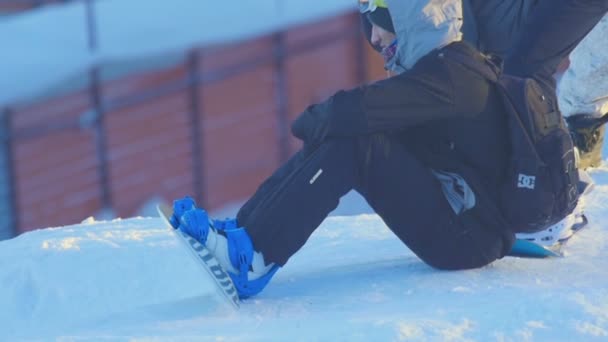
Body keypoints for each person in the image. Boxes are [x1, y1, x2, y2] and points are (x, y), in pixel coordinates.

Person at [169, 0, 608, 299]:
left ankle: (253, 256)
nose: (375, 44)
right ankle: (245, 236)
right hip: (464, 220)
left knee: (355, 142)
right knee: (353, 138)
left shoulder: (453, 73)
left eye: (376, 28)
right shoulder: (441, 72)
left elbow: (351, 112)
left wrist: (311, 120)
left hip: (468, 236)